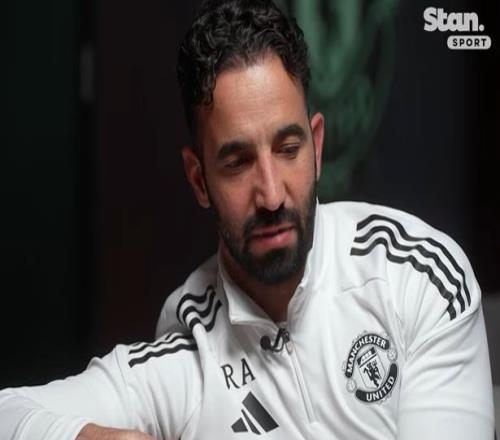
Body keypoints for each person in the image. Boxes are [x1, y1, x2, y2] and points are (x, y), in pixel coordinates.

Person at [0, 0, 495, 439]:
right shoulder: (189, 348)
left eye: (288, 149)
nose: (272, 194)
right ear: (199, 179)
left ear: (317, 147)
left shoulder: (415, 276)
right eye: (237, 162)